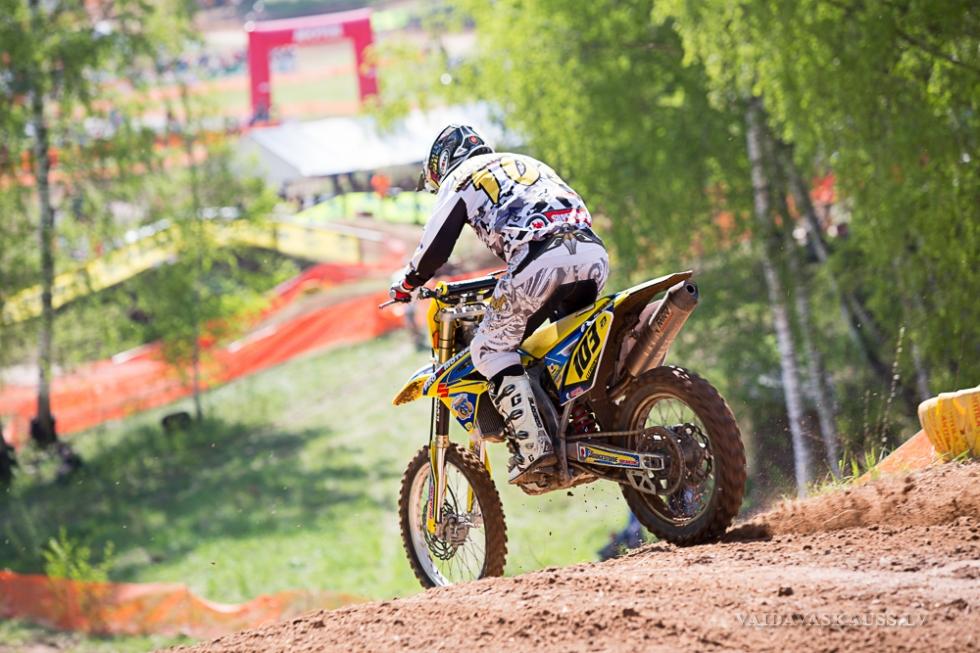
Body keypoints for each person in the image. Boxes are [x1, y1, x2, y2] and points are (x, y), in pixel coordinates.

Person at [389, 125, 609, 484]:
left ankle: (533, 449)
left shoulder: (462, 176)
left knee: (489, 349)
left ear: (442, 163)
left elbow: (436, 246)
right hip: (591, 252)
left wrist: (407, 282)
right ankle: (581, 426)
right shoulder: (524, 162)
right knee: (561, 346)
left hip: (541, 257)